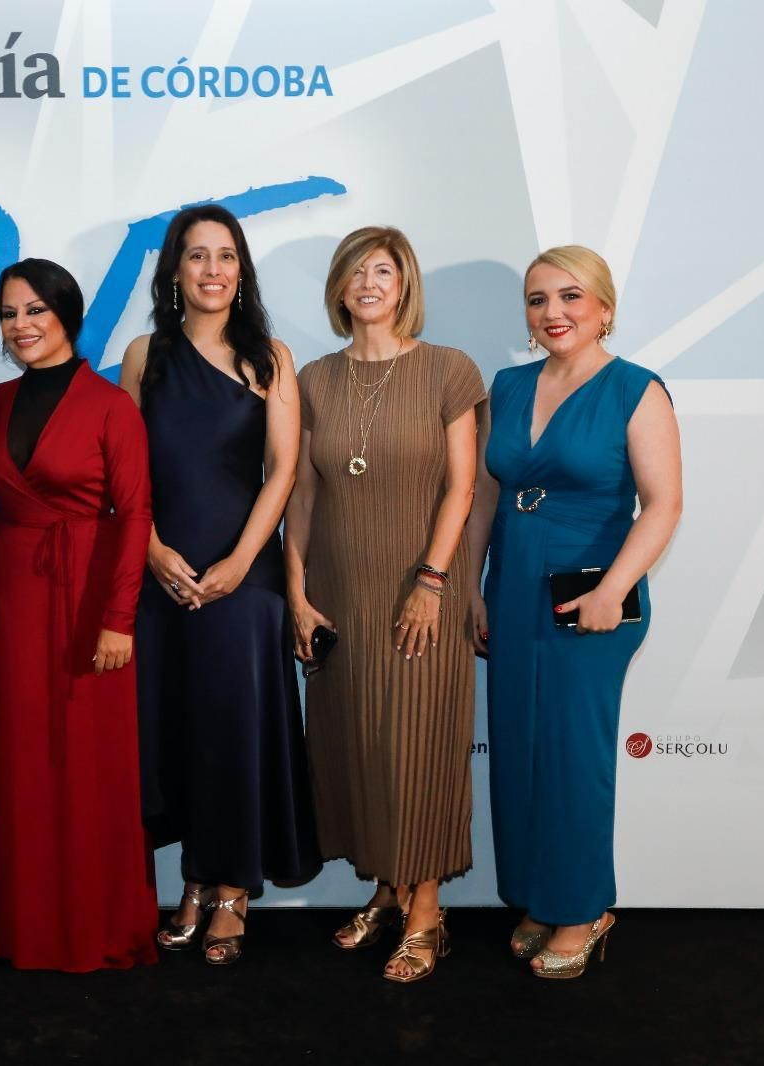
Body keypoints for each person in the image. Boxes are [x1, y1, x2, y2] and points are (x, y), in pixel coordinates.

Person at [466, 245, 682, 979]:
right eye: (537, 300)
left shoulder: (636, 389)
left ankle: (584, 909)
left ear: (604, 308)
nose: (552, 312)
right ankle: (540, 895)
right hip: (513, 581)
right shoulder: (508, 384)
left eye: (570, 297)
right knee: (522, 751)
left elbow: (663, 505)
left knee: (571, 758)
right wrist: (471, 583)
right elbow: (487, 495)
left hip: (591, 591)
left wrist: (613, 591)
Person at [120, 206, 322, 966]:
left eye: (226, 256)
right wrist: (150, 550)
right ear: (174, 270)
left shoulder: (272, 356)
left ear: (242, 270)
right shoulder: (145, 355)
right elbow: (125, 471)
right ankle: (192, 881)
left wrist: (241, 563)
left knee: (232, 725)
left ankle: (231, 887)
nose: (212, 270)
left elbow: (284, 470)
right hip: (160, 568)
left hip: (245, 570)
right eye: (197, 257)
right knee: (174, 729)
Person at [0, 258, 158, 972]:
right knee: (15, 759)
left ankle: (88, 926)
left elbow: (134, 517)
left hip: (88, 598)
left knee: (83, 763)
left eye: (35, 309)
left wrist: (119, 618)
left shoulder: (109, 406)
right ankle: (12, 924)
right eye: (8, 314)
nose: (21, 325)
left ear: (66, 312)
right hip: (9, 595)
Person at [285, 226, 485, 983]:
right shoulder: (314, 378)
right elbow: (303, 489)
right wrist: (298, 590)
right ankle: (387, 889)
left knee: (419, 749)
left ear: (404, 285)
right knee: (359, 747)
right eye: (357, 271)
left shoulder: (448, 370)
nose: (370, 282)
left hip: (419, 590)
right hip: (340, 592)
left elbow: (462, 487)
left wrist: (432, 582)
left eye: (385, 270)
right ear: (339, 287)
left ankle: (427, 909)